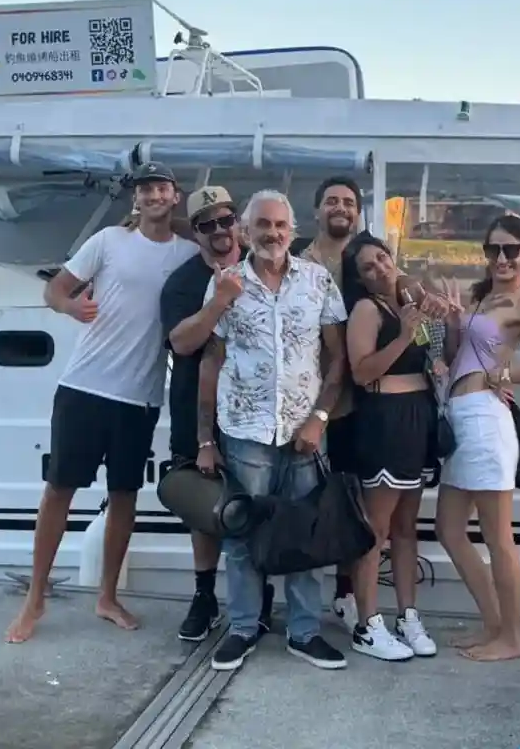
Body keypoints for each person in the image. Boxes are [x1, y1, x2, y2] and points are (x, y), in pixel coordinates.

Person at [5, 162, 199, 643]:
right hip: (85, 388)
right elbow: (55, 289)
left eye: (162, 188)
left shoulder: (189, 254)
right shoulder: (109, 241)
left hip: (141, 396)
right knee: (58, 491)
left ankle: (107, 596)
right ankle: (35, 600)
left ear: (175, 197)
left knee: (124, 498)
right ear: (136, 198)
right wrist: (71, 307)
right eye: (145, 189)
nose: (153, 195)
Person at [200, 189, 349, 672]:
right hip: (245, 432)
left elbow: (338, 358)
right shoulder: (227, 284)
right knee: (241, 535)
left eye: (281, 225)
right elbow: (210, 359)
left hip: (305, 433)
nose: (272, 233)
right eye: (262, 224)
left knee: (304, 534)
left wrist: (320, 417)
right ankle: (244, 625)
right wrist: (205, 437)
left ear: (293, 231)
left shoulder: (318, 281)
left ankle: (304, 632)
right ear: (246, 231)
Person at [435, 214, 520, 662]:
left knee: (498, 535)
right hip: (458, 416)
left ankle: (513, 635)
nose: (503, 258)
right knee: (449, 530)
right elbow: (458, 356)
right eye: (494, 250)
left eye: (512, 249)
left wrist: (504, 373)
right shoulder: (482, 296)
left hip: (486, 421)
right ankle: (494, 625)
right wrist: (454, 324)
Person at [159, 185, 274, 642]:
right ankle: (205, 595)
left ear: (238, 223)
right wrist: (220, 298)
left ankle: (260, 598)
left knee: (260, 503)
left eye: (226, 220)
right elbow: (182, 343)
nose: (220, 230)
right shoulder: (183, 283)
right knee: (204, 510)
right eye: (207, 224)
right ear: (196, 233)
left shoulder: (270, 266)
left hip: (260, 412)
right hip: (197, 410)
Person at [342, 233, 451, 661]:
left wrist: (441, 317)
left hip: (418, 417)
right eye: (368, 267)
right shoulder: (367, 310)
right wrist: (404, 335)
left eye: (382, 259)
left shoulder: (410, 297)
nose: (380, 269)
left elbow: (437, 351)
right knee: (376, 529)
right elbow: (361, 371)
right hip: (385, 421)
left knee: (407, 528)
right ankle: (368, 624)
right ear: (360, 279)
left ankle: (408, 614)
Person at [289, 176, 365, 631]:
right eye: (332, 200)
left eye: (349, 202)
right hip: (300, 405)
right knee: (299, 504)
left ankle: (345, 592)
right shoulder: (295, 260)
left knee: (348, 501)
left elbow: (404, 307)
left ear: (358, 213)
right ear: (316, 210)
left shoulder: (369, 260)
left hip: (356, 404)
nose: (341, 208)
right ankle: (285, 600)